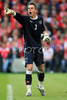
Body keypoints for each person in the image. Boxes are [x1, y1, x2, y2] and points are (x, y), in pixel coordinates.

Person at [4, 3, 50, 96]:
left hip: (38, 48)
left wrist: (46, 36)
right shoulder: (25, 19)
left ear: (35, 10)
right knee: (29, 67)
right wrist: (11, 12)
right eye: (28, 8)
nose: (29, 10)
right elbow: (17, 15)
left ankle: (40, 86)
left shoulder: (40, 19)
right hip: (28, 48)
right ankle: (28, 90)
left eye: (31, 8)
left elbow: (43, 29)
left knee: (41, 69)